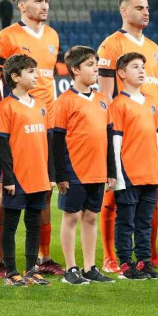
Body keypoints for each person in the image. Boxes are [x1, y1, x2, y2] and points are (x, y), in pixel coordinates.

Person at [0, 0, 61, 278]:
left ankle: (42, 257)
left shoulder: (53, 36)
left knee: (44, 193)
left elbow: (48, 80)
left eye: (47, 0)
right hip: (18, 129)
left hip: (47, 125)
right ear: (22, 5)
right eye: (39, 0)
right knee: (8, 192)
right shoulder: (6, 38)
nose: (45, 5)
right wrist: (7, 116)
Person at [97, 0, 158, 272]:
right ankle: (111, 256)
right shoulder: (111, 45)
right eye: (139, 7)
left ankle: (147, 254)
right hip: (122, 128)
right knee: (117, 198)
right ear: (124, 11)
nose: (146, 12)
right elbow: (104, 95)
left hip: (148, 125)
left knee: (148, 200)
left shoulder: (152, 48)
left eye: (147, 7)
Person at [53, 46, 116, 285]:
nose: (95, 69)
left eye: (96, 64)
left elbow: (108, 138)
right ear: (75, 70)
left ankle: (90, 267)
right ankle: (71, 269)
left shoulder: (101, 101)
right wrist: (60, 174)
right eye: (90, 65)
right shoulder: (65, 101)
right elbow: (57, 140)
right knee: (71, 218)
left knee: (91, 218)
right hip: (74, 170)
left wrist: (111, 171)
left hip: (98, 170)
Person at [0, 54, 52, 287]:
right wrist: (8, 177)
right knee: (10, 224)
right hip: (17, 178)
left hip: (39, 177)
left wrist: (50, 176)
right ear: (15, 77)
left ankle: (31, 270)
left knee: (33, 223)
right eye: (30, 71)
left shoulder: (40, 105)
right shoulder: (6, 106)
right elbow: (2, 144)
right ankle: (10, 271)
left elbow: (46, 142)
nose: (36, 75)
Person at [109, 52, 158, 280]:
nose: (141, 70)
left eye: (143, 66)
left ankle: (143, 261)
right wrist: (116, 174)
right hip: (130, 173)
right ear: (121, 74)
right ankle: (125, 263)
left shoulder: (151, 101)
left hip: (151, 172)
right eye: (135, 67)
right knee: (126, 221)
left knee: (145, 222)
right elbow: (115, 142)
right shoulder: (119, 104)